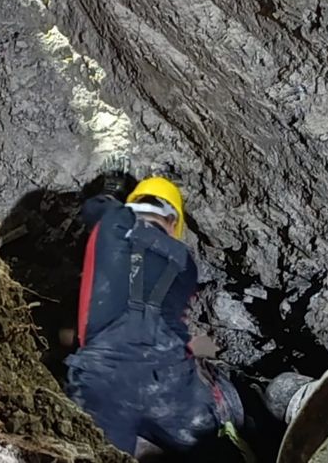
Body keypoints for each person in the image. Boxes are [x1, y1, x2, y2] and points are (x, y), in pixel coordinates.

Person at [64, 175, 252, 459]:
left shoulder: (113, 220)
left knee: (94, 452)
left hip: (101, 381)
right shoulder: (186, 264)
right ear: (174, 223)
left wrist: (110, 195)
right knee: (213, 442)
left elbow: (92, 208)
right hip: (171, 383)